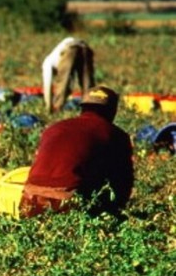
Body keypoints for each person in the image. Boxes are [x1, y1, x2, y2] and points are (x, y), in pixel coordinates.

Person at [20, 86, 133, 217]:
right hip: (67, 203)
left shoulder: (54, 128)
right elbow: (123, 182)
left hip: (29, 199)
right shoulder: (115, 135)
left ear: (83, 108)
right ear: (113, 111)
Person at [42, 37, 95, 112]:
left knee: (63, 82)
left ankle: (57, 109)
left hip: (70, 48)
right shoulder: (55, 58)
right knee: (87, 82)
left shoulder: (47, 63)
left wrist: (49, 107)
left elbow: (48, 87)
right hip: (84, 46)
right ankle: (92, 107)